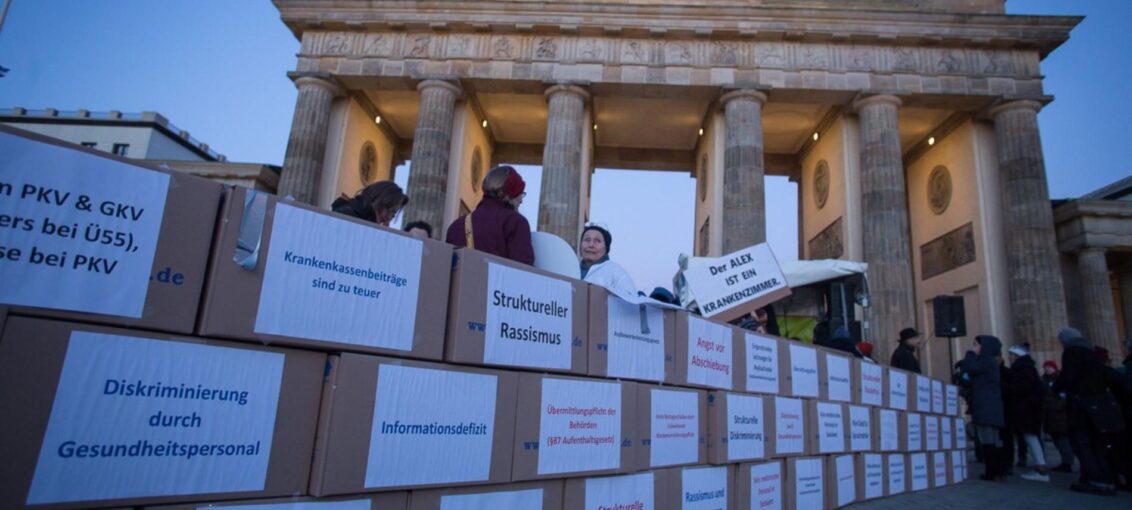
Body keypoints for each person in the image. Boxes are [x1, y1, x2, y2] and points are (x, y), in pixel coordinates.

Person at [1052, 327, 1119, 496]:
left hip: (1081, 405)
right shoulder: (1091, 352)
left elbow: (1068, 376)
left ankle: (1095, 479)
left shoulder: (1072, 352)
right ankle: (1105, 479)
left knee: (1081, 443)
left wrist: (1056, 388)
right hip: (1098, 405)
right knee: (1097, 444)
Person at [445, 165, 534, 265]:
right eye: (520, 193)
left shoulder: (456, 226)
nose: (521, 201)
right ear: (511, 194)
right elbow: (523, 269)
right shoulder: (515, 223)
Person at [958, 335, 1008, 481]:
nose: (973, 347)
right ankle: (999, 471)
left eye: (976, 345)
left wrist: (969, 354)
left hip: (985, 405)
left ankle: (992, 472)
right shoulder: (991, 361)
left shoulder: (985, 360)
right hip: (991, 406)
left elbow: (969, 367)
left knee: (987, 440)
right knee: (993, 440)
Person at [1004, 343, 1050, 482]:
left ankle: (1041, 469)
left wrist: (1005, 387)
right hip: (1029, 409)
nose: (1009, 357)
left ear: (1016, 355)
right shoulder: (1028, 368)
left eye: (1011, 355)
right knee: (1031, 438)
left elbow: (1021, 389)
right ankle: (1040, 466)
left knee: (1031, 438)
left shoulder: (1023, 369)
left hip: (1026, 409)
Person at [578, 223, 636, 295]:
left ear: (606, 248)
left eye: (597, 241)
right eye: (587, 239)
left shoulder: (616, 272)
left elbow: (631, 298)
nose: (591, 245)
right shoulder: (570, 270)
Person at [1041, 360, 1075, 473]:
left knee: (1063, 440)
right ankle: (1065, 461)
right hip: (1049, 414)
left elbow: (1064, 397)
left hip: (1060, 415)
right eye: (1045, 367)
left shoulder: (1059, 380)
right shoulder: (1044, 380)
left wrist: (1058, 407)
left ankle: (1067, 462)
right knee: (1056, 439)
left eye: (1049, 367)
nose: (1047, 369)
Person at [331, 180, 407, 226]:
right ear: (380, 201)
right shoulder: (346, 216)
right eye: (392, 211)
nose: (389, 217)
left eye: (394, 214)